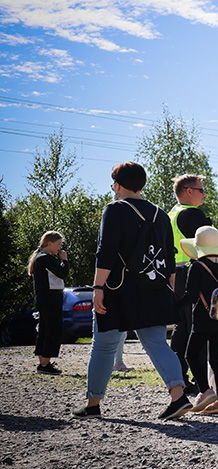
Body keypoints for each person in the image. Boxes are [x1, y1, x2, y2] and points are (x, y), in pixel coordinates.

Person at [72, 161, 193, 420]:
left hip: (119, 289)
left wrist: (97, 287)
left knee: (103, 346)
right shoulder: (159, 213)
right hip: (154, 287)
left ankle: (93, 404)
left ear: (117, 185)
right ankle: (178, 396)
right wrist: (169, 285)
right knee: (158, 343)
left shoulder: (115, 209)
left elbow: (106, 252)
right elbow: (170, 256)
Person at [180, 226, 218, 414]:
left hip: (204, 319)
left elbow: (191, 296)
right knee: (216, 358)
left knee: (191, 354)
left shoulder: (197, 266)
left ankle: (205, 391)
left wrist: (174, 305)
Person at [168, 174, 213, 393]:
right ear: (188, 191)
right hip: (192, 273)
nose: (204, 194)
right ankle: (201, 382)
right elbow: (211, 245)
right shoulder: (191, 214)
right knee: (197, 327)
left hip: (175, 274)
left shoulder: (171, 214)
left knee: (182, 327)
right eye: (201, 190)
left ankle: (180, 377)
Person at [29, 231, 68, 375]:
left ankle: (43, 362)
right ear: (49, 243)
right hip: (50, 300)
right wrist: (64, 260)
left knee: (45, 329)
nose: (60, 247)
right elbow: (62, 273)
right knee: (53, 330)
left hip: (45, 299)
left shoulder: (43, 258)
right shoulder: (45, 258)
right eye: (58, 244)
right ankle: (45, 364)